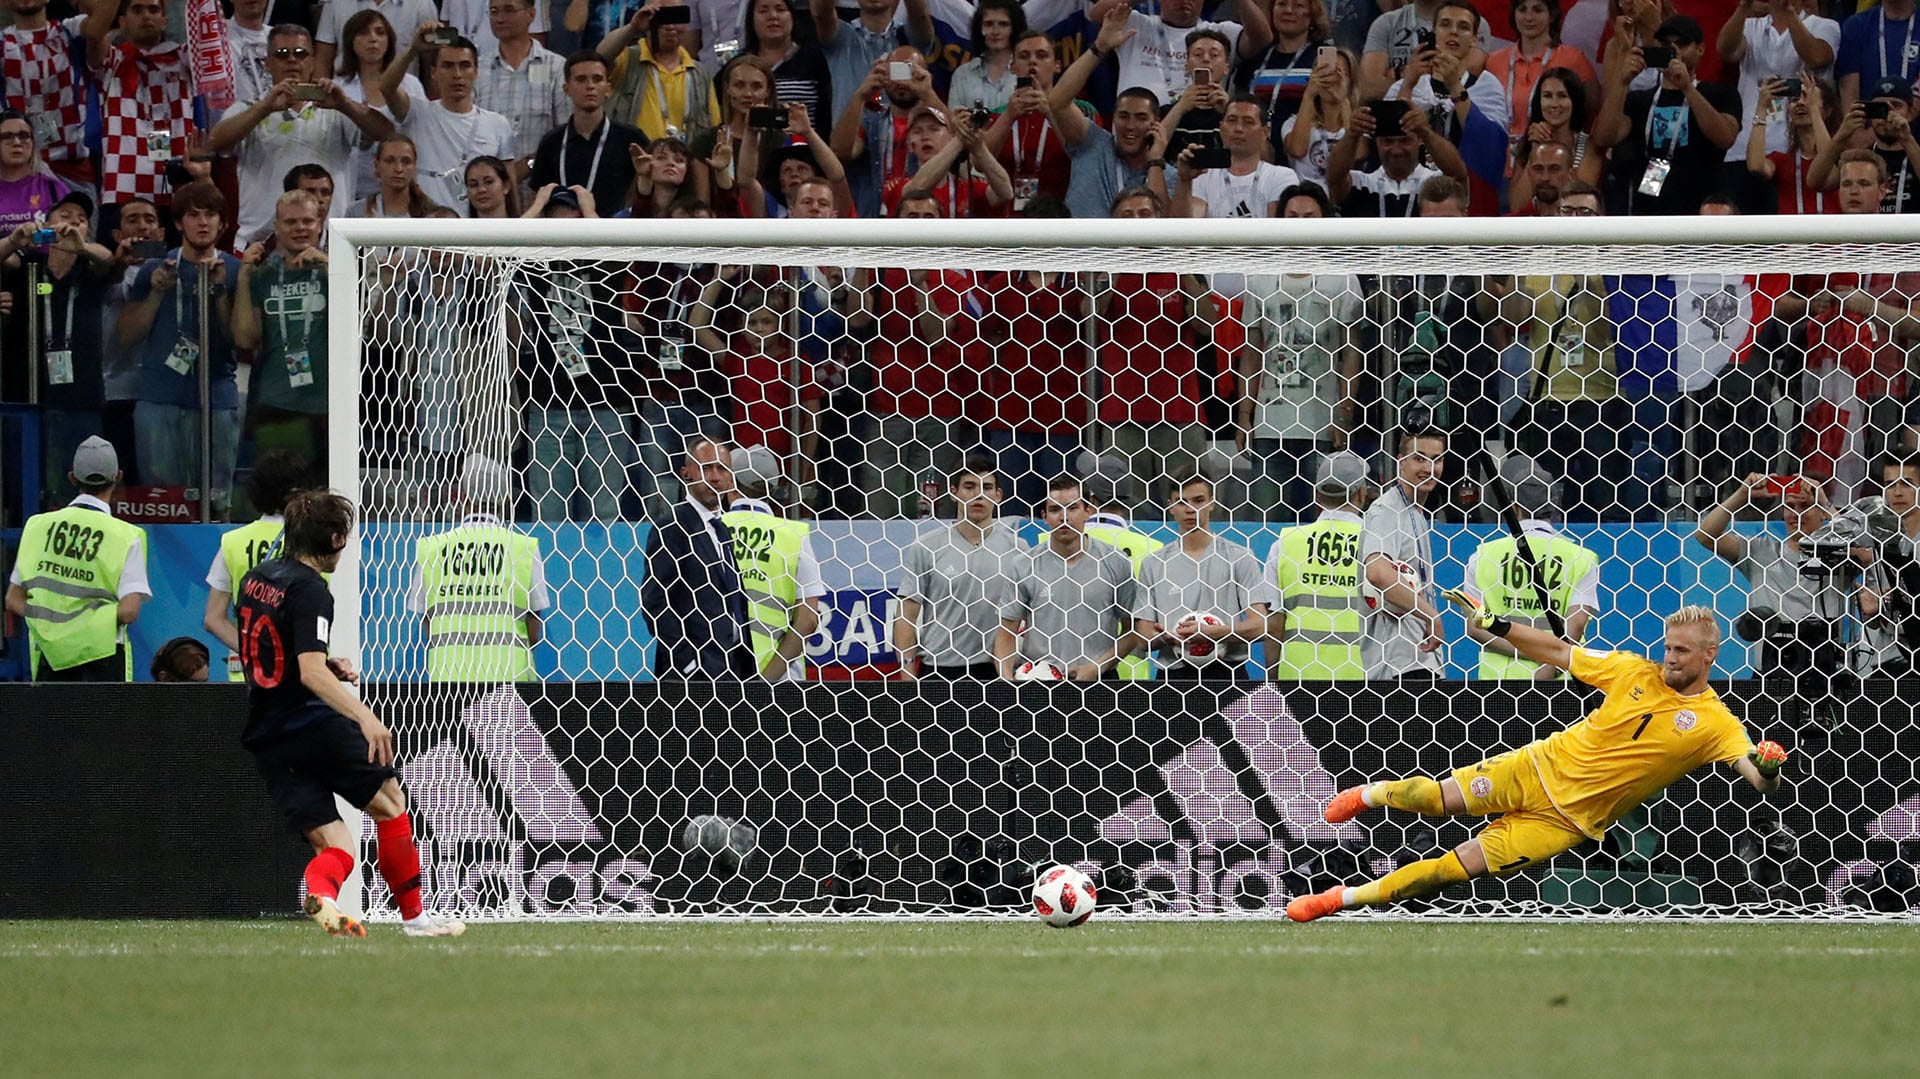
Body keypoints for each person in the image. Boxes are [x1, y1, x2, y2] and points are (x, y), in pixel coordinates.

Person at [1287, 605, 1789, 922]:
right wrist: (1499, 625)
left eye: (1681, 650)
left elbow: (1752, 772)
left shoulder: (1716, 723)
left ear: (1710, 655)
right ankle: (1366, 795)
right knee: (1435, 799)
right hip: (1535, 766)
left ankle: (1340, 899)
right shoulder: (1632, 670)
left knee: (1449, 870)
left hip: (1566, 821)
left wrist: (1766, 769)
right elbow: (1555, 648)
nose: (1670, 658)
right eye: (1667, 647)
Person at [236, 489, 467, 938]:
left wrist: (325, 661)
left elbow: (268, 644)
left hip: (266, 733)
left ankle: (322, 896)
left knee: (336, 844)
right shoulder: (311, 590)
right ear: (337, 538)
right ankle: (416, 919)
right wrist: (364, 716)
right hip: (310, 723)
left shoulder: (256, 578)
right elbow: (307, 674)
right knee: (390, 803)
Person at [206, 23, 395, 243]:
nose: (292, 60)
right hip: (261, 243)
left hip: (328, 243)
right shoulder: (249, 108)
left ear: (313, 62)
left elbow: (387, 134)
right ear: (267, 63)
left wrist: (344, 104)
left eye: (300, 53)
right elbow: (215, 142)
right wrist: (265, 107)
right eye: (282, 54)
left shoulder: (335, 109)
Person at [118, 181, 243, 514]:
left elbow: (240, 341)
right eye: (193, 215)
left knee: (217, 504)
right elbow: (127, 335)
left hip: (217, 398)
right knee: (163, 504)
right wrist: (157, 293)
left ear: (223, 223)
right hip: (159, 397)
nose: (202, 222)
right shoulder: (154, 268)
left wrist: (219, 293)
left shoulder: (235, 270)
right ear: (177, 223)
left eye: (211, 214)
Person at [1239, 203, 1362, 522]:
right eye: (1293, 216)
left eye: (1309, 216)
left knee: (1323, 521)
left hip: (1322, 423)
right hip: (1270, 423)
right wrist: (1244, 413)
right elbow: (1251, 353)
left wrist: (1345, 413)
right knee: (1267, 523)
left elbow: (1351, 353)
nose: (1301, 223)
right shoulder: (1260, 279)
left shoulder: (1342, 280)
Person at [0, 190, 117, 504]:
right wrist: (14, 239)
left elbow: (110, 260)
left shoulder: (90, 272)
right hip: (28, 397)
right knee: (23, 490)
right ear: (46, 224)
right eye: (65, 216)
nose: (74, 223)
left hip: (81, 401)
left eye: (81, 220)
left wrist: (83, 248)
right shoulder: (28, 265)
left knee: (79, 492)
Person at [5, 437, 149, 682]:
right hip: (103, 658)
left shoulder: (37, 526)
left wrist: (55, 626)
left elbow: (13, 600)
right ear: (118, 476)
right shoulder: (127, 535)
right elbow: (128, 612)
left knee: (54, 721)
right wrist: (88, 624)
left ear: (72, 478)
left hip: (51, 657)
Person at [408, 453, 550, 682]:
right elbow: (534, 627)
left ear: (461, 497)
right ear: (504, 499)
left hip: (447, 681)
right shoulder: (523, 547)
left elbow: (427, 621)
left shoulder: (431, 549)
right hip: (510, 678)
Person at [1459, 457, 1600, 680]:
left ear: (1513, 506)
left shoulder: (1483, 556)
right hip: (1560, 683)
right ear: (1554, 504)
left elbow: (1476, 628)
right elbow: (1577, 625)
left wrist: (1527, 651)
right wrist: (1548, 663)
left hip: (1498, 683)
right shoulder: (1581, 558)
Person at [993, 475, 1144, 680]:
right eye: (1055, 510)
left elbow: (1131, 630)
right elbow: (1006, 633)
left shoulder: (1116, 561)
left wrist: (1096, 667)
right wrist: (1006, 682)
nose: (1064, 517)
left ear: (1088, 511)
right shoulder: (1024, 564)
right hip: (1039, 681)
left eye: (1072, 508)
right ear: (1044, 516)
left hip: (1099, 680)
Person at [894, 455, 1030, 680]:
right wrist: (907, 672)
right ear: (954, 492)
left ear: (998, 495)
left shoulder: (1019, 549)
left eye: (986, 487)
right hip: (940, 670)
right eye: (969, 486)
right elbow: (906, 615)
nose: (978, 494)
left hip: (998, 672)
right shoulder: (927, 547)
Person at [1593, 15, 1741, 217]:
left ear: (1700, 50)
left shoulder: (1720, 94)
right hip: (1650, 205)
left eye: (1681, 44)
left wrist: (1687, 88)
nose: (1673, 51)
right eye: (1665, 44)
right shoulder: (1640, 100)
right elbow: (1604, 137)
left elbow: (1725, 137)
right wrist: (1622, 81)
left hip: (1702, 207)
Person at [641, 437, 757, 678]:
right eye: (706, 467)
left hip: (733, 669)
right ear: (686, 473)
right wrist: (688, 664)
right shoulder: (672, 526)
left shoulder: (721, 528)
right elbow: (655, 602)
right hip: (693, 677)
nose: (715, 477)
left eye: (722, 468)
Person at [1133, 474, 1267, 681]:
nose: (1190, 509)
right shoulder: (1154, 563)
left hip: (1228, 674)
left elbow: (1260, 626)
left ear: (1211, 503)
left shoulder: (1239, 557)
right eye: (1181, 502)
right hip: (1173, 676)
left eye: (1198, 501)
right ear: (1170, 506)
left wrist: (1212, 633)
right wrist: (1164, 637)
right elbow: (1143, 638)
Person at [205, 450, 312, 682]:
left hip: (247, 676)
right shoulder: (313, 540)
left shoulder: (232, 542)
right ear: (297, 493)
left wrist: (257, 652)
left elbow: (213, 619)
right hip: (303, 674)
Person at [381, 27, 517, 209]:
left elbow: (509, 190)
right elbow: (386, 87)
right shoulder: (417, 112)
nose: (457, 75)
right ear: (433, 72)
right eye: (448, 66)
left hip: (476, 227)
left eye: (465, 65)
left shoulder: (497, 124)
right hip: (425, 224)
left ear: (476, 72)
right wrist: (413, 49)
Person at [1264, 450, 1371, 680]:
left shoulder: (1284, 544)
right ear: (1362, 493)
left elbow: (1274, 625)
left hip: (1298, 677)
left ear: (1317, 496)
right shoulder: (1376, 544)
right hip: (1364, 677)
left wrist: (1273, 680)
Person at [722, 445, 825, 680]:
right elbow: (808, 619)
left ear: (730, 484)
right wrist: (766, 680)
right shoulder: (794, 535)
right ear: (774, 488)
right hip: (782, 678)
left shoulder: (712, 530)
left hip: (721, 674)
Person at [84, 0, 198, 210]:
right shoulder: (112, 60)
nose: (146, 15)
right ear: (122, 21)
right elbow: (93, 35)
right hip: (121, 189)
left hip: (177, 189)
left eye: (153, 10)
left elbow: (207, 33)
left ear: (165, 21)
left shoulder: (184, 59)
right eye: (137, 9)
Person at [1361, 428, 1447, 679]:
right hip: (1399, 664)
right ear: (1401, 461)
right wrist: (1431, 616)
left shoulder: (1415, 512)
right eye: (1420, 458)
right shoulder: (1387, 511)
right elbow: (1377, 572)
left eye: (1437, 459)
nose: (1430, 468)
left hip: (1419, 660)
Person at [528, 51, 651, 217]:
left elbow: (647, 195)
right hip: (563, 235)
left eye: (597, 79)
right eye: (581, 79)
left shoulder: (631, 139)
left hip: (616, 236)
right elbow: (537, 197)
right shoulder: (551, 142)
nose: (590, 86)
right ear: (566, 89)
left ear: (608, 88)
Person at [1090, 0, 1275, 108]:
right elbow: (1096, 13)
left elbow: (1263, 37)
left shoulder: (1219, 34)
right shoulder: (1137, 24)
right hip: (1136, 135)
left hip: (1197, 140)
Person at [1081, 455, 1166, 681]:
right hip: (1135, 682)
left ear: (1089, 500)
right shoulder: (1154, 549)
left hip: (1066, 676)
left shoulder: (1046, 544)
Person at [0, 0, 94, 196]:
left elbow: (101, 22)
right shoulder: (1, 42)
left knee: (78, 227)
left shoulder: (71, 30)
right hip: (15, 172)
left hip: (73, 170)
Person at [600, 2, 722, 143]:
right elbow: (601, 56)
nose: (670, 26)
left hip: (682, 161)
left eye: (676, 17)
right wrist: (633, 27)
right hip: (634, 160)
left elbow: (713, 127)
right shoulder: (628, 59)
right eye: (662, 17)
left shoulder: (700, 73)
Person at [1485, 0, 1599, 146]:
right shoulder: (1493, 61)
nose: (1529, 17)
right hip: (1499, 154)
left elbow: (1591, 115)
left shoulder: (1574, 59)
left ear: (1552, 15)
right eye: (1522, 10)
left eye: (1537, 10)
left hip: (1550, 156)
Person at [473, 0, 571, 166]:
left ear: (531, 14)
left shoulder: (556, 67)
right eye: (494, 11)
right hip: (488, 182)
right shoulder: (477, 69)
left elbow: (565, 134)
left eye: (509, 10)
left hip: (541, 180)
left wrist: (528, 166)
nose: (499, 18)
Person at [810, 0, 937, 123]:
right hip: (848, 140)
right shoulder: (841, 36)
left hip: (904, 141)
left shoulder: (909, 36)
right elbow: (821, 14)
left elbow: (919, 15)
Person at [1747, 75, 1834, 215]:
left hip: (1834, 234)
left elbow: (1828, 165)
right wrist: (1761, 108)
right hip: (1792, 235)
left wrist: (1813, 110)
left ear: (1828, 110)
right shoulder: (1783, 161)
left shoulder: (1842, 156)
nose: (1800, 103)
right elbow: (1756, 166)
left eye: (1807, 97)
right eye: (1794, 99)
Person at [1834, 0, 1920, 111]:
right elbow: (1849, 92)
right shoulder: (1856, 26)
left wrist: (1901, 119)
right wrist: (1856, 127)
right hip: (1868, 125)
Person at [949, 0, 1025, 112]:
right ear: (979, 29)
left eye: (1003, 24)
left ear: (1015, 28)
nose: (995, 31)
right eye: (989, 24)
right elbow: (954, 121)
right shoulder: (962, 74)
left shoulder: (1027, 71)